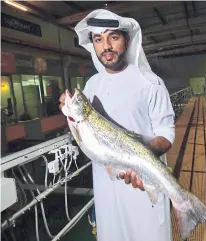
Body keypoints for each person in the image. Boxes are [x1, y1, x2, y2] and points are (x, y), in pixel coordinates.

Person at [59, 9, 175, 241]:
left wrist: (140, 161)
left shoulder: (150, 82)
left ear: (127, 40)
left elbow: (166, 133)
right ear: (92, 44)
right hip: (105, 191)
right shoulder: (90, 85)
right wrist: (69, 113)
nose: (106, 46)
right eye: (98, 39)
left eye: (113, 37)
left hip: (143, 186)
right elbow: (86, 132)